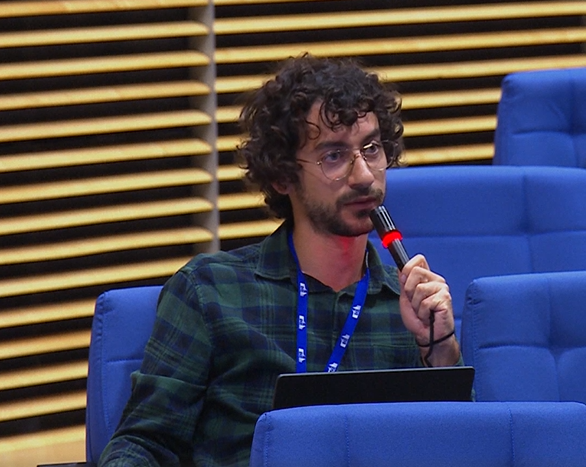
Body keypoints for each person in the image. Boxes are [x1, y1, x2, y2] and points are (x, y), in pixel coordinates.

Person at [98, 54, 460, 466]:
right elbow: (145, 443)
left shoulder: (411, 305)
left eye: (371, 149)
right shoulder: (211, 291)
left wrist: (440, 348)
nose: (363, 176)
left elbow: (458, 446)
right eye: (334, 156)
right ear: (282, 176)